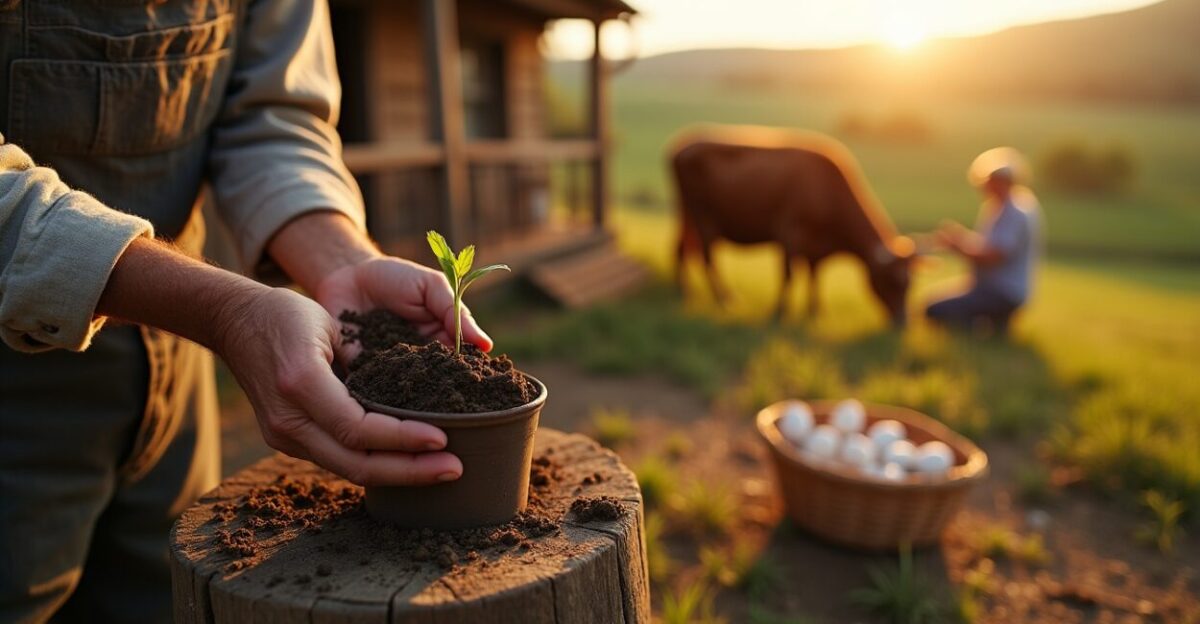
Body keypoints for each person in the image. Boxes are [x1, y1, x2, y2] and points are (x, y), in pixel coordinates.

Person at [0, 3, 485, 622]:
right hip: (17, 380)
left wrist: (341, 262)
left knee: (174, 599)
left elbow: (271, 115)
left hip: (178, 351)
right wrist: (227, 313)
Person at [924, 147, 1042, 334]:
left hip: (1002, 291)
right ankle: (994, 324)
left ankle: (984, 329)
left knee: (934, 309)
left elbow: (993, 257)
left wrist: (957, 246)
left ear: (1000, 182)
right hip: (994, 289)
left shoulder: (1014, 212)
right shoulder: (1003, 207)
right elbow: (988, 244)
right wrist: (961, 237)